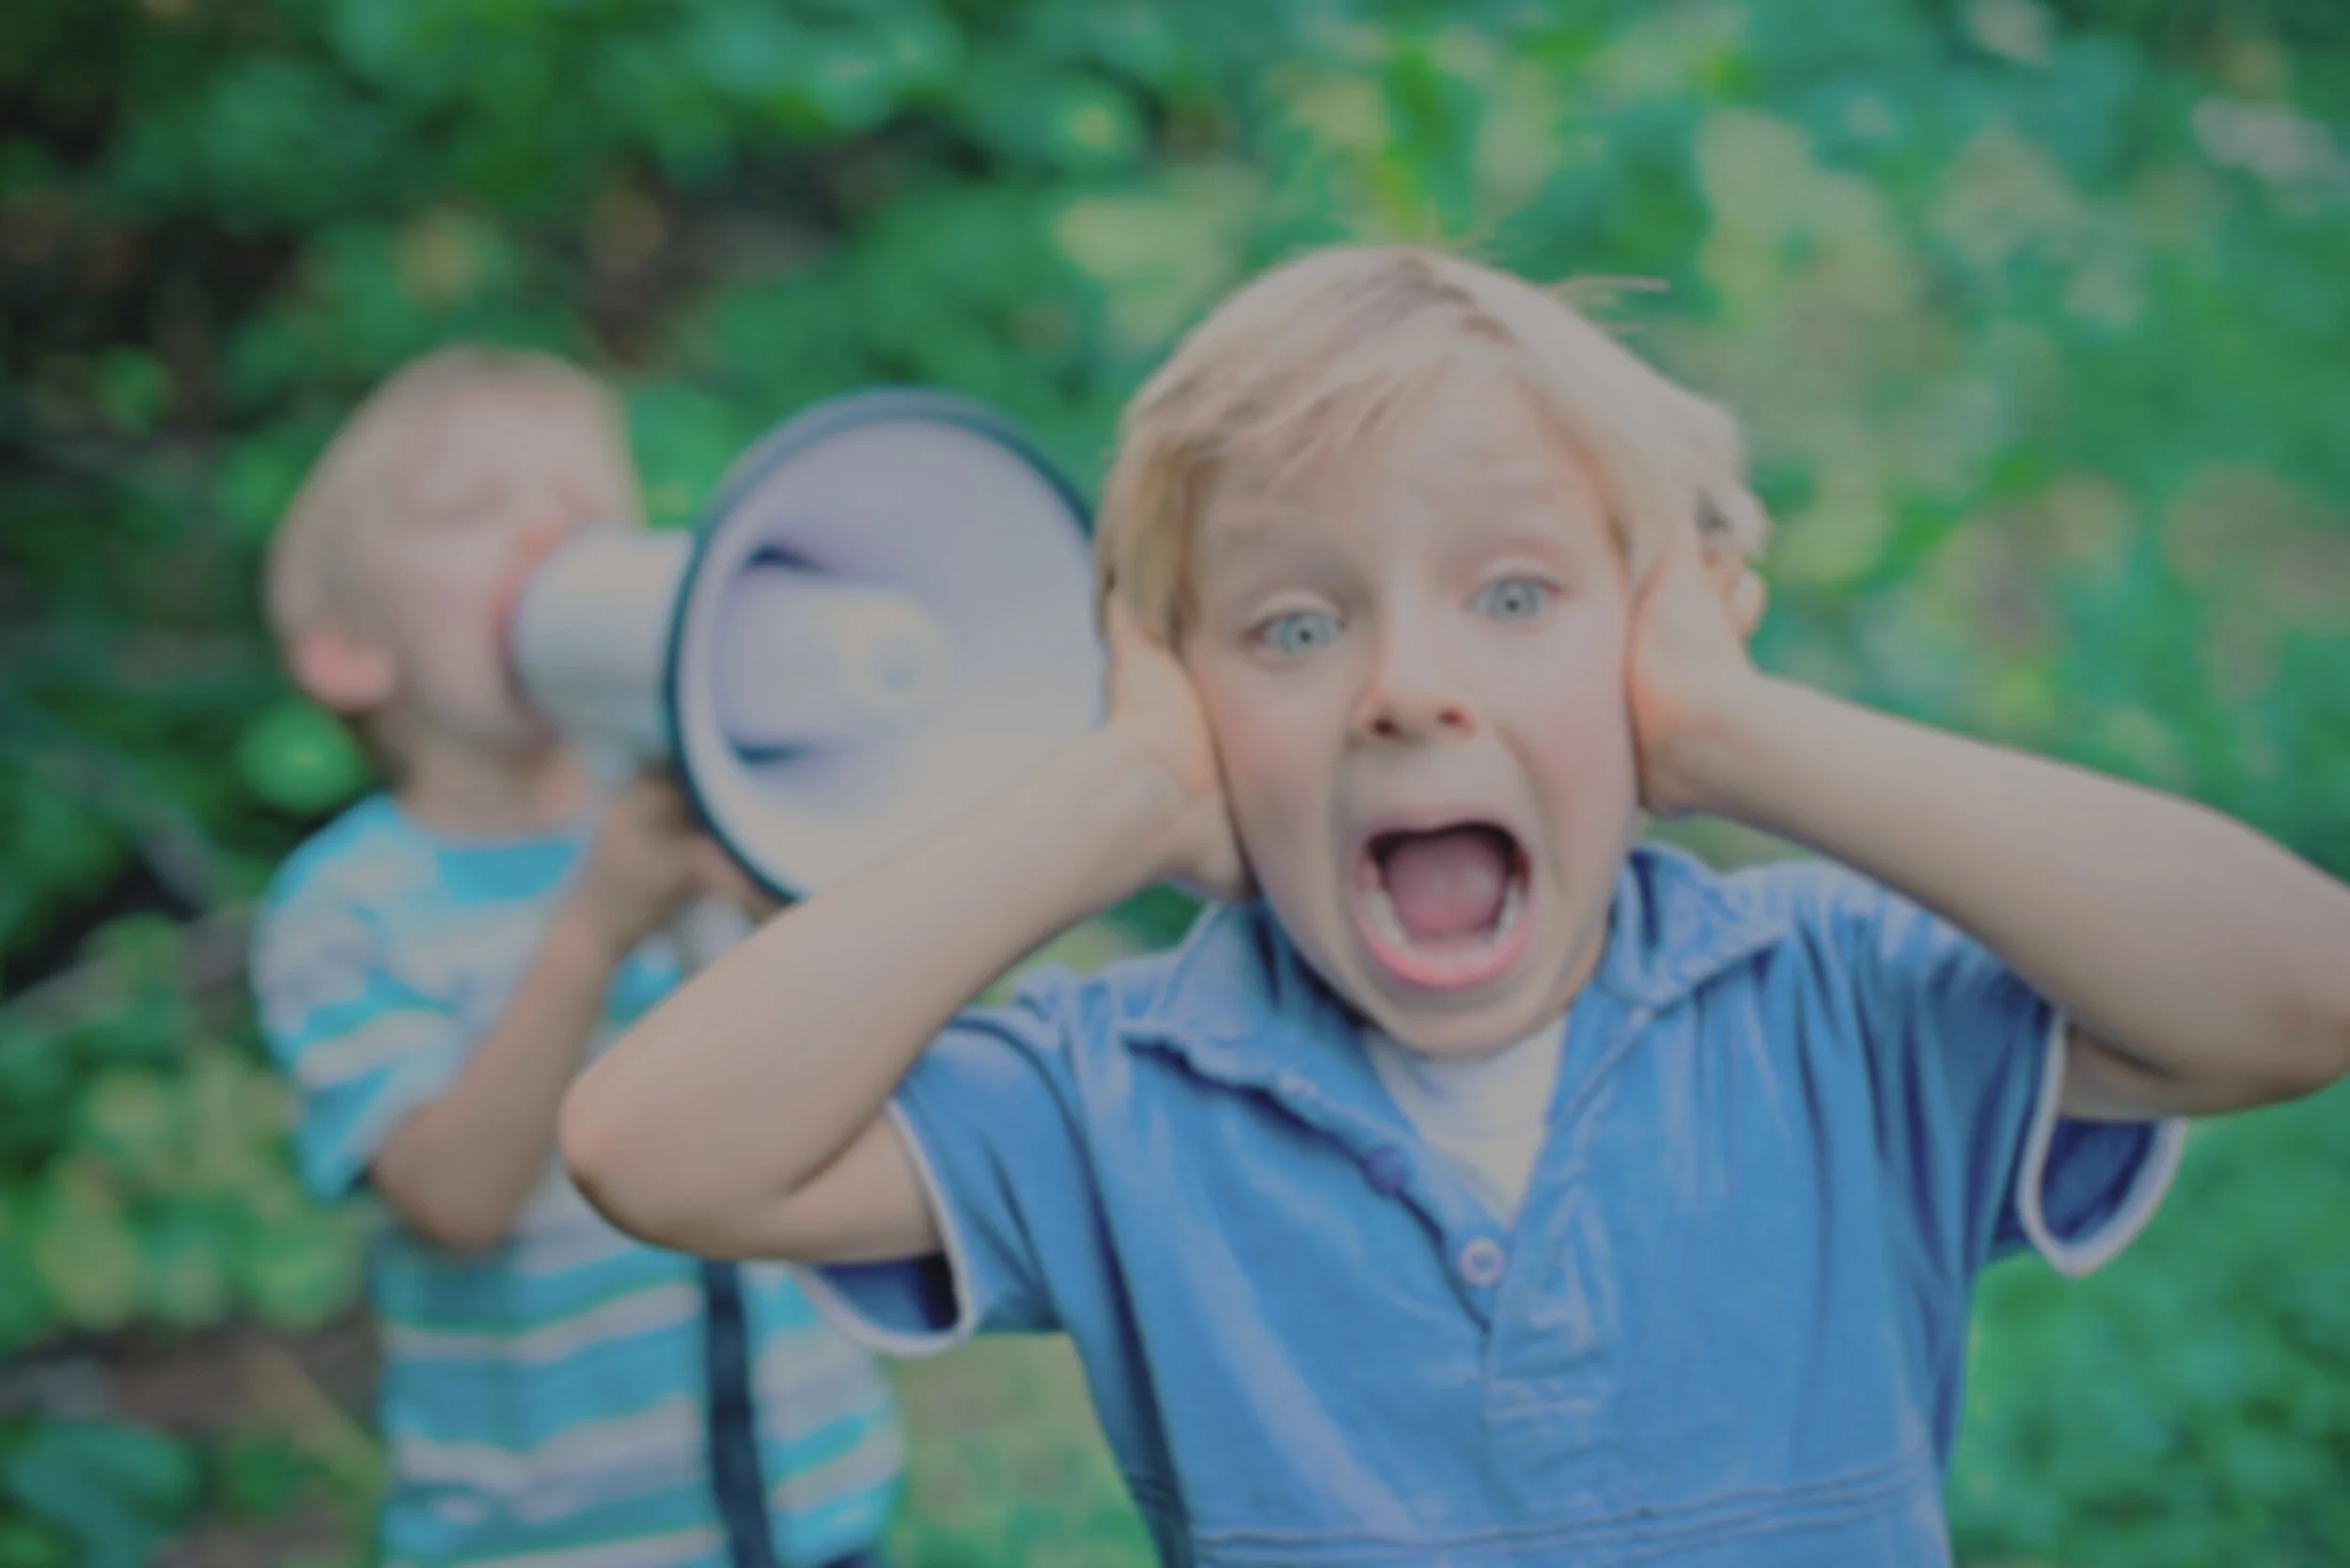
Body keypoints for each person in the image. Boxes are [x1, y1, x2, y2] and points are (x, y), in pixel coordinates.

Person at [558, 247, 2350, 1566]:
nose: (1407, 688)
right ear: (1185, 706)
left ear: (1665, 639)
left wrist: (1742, 733)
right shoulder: (1119, 1096)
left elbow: (2298, 994)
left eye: (1513, 597)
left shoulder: (1835, 1007)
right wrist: (1112, 797)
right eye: (1293, 628)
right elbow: (659, 1149)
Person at [249, 346, 903, 1568]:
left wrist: (767, 892)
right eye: (470, 511)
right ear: (349, 645)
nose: (547, 532)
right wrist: (593, 929)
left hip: (817, 1502)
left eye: (585, 509)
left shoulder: (710, 815)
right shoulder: (347, 906)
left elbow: (855, 1085)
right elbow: (456, 1199)